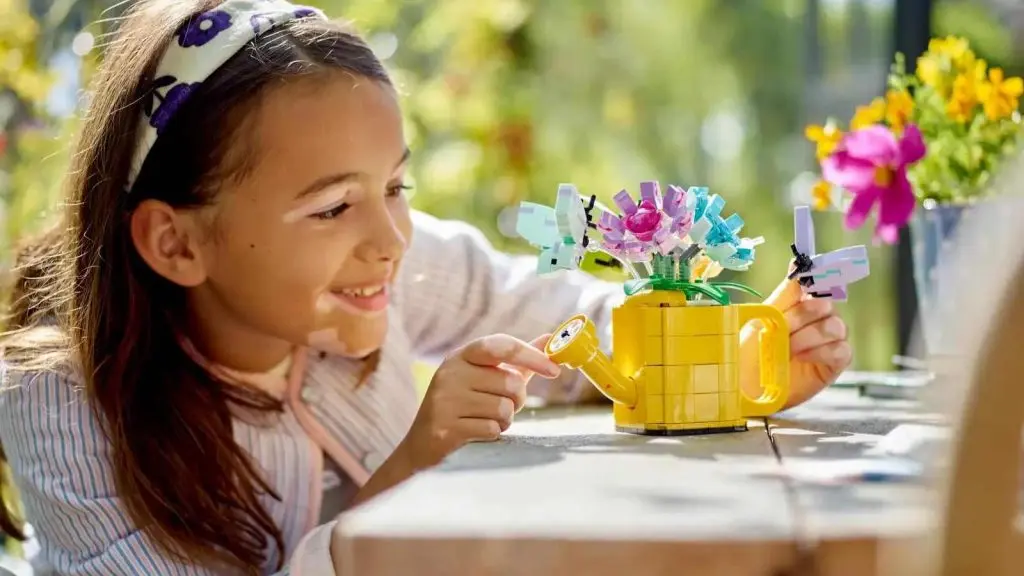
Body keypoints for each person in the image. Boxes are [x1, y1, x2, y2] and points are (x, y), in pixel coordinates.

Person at [0, 0, 852, 574]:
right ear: (177, 243)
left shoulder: (385, 270)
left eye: (396, 187)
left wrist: (741, 359)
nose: (391, 237)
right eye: (334, 205)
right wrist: (413, 468)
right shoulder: (62, 401)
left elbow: (581, 330)